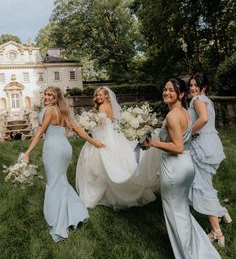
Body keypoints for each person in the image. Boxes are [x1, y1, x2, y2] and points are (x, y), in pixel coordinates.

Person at [143, 78, 221, 259]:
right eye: (165, 89)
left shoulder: (172, 116)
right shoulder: (184, 111)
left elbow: (177, 147)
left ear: (181, 94)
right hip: (187, 165)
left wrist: (152, 142)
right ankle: (199, 248)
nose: (166, 92)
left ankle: (188, 254)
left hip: (174, 168)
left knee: (175, 213)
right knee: (182, 210)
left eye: (171, 90)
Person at [21, 86, 104, 242]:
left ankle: (56, 220)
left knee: (53, 183)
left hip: (53, 149)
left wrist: (27, 153)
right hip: (65, 147)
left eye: (49, 95)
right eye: (45, 94)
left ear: (55, 98)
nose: (46, 97)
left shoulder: (50, 110)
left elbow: (40, 133)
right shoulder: (63, 111)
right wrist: (95, 143)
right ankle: (77, 211)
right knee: (61, 181)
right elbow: (78, 130)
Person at [76, 86, 160, 210]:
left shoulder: (102, 107)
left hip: (103, 136)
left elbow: (102, 125)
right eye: (97, 95)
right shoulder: (109, 106)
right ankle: (111, 190)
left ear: (106, 96)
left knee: (98, 165)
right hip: (112, 136)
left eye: (101, 94)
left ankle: (97, 191)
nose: (99, 97)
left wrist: (89, 126)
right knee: (115, 163)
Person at [188, 72, 232, 248]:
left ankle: (216, 232)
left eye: (195, 85)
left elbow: (204, 119)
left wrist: (188, 133)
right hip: (211, 144)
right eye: (190, 85)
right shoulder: (207, 100)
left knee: (202, 187)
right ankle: (222, 212)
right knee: (205, 183)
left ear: (203, 87)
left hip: (201, 148)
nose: (192, 88)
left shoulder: (197, 99)